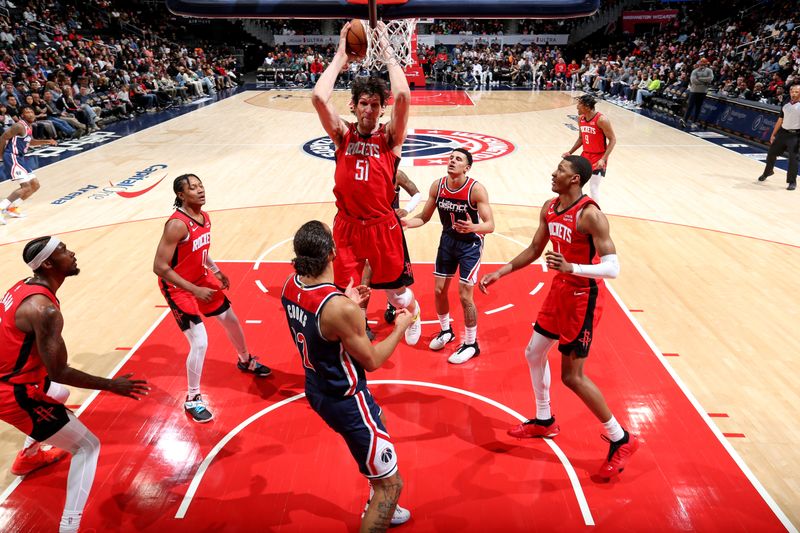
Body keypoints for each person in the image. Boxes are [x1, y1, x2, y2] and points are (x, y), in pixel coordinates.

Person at [479, 155, 639, 479]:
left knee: (572, 377)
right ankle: (544, 420)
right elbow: (535, 248)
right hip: (561, 289)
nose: (554, 173)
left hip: (584, 297)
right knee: (534, 352)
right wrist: (502, 271)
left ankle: (620, 437)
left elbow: (613, 268)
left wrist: (573, 267)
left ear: (576, 179)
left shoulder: (590, 215)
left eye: (561, 170)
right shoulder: (549, 208)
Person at [0, 237, 149, 532]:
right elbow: (59, 370)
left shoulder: (23, 286)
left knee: (61, 394)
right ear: (48, 264)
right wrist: (111, 384)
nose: (72, 253)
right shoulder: (44, 310)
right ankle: (69, 526)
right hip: (13, 393)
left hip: (16, 375)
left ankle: (28, 458)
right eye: (64, 251)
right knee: (87, 447)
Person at [281, 220, 413, 532]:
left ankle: (376, 484)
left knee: (372, 441)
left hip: (316, 389)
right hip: (347, 399)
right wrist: (400, 328)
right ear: (332, 253)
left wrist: (351, 307)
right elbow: (372, 360)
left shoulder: (290, 285)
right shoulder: (338, 308)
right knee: (391, 487)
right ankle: (380, 496)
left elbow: (321, 328)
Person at [312, 21, 422, 346]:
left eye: (375, 104)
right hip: (347, 227)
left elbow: (402, 94)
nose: (369, 110)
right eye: (364, 103)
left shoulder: (390, 138)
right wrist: (339, 58)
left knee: (397, 292)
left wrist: (386, 45)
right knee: (346, 294)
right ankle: (354, 343)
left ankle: (412, 310)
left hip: (382, 226)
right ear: (354, 105)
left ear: (380, 108)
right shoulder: (342, 135)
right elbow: (319, 97)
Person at [153, 174, 271, 423]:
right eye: (192, 188)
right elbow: (160, 267)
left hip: (200, 279)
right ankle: (193, 398)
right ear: (181, 195)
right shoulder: (177, 225)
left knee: (230, 319)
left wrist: (216, 270)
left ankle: (245, 360)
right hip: (177, 287)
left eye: (200, 185)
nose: (200, 190)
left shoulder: (204, 217)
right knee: (200, 341)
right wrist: (194, 290)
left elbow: (200, 250)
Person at [403, 148, 495, 364]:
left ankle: (472, 343)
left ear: (467, 167)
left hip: (470, 244)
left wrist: (473, 227)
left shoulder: (476, 190)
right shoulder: (438, 185)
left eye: (458, 159)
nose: (452, 161)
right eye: (451, 157)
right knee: (438, 290)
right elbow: (424, 217)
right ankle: (446, 331)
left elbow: (490, 226)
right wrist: (406, 223)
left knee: (464, 295)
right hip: (448, 241)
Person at [360, 169, 422, 339]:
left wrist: (407, 209)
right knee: (366, 273)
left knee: (393, 283)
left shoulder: (397, 174)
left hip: (390, 230)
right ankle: (362, 321)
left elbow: (416, 194)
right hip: (368, 227)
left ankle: (408, 310)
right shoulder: (363, 173)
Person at [0, 106, 57, 224]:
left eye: (31, 111)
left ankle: (12, 208)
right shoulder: (19, 126)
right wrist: (0, 155)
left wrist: (47, 141)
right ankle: (1, 208)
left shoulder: (29, 127)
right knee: (25, 187)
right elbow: (3, 137)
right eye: (27, 112)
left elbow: (31, 142)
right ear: (22, 115)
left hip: (20, 158)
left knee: (35, 185)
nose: (30, 114)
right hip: (12, 156)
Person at [562, 95, 616, 202]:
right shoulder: (581, 119)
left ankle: (596, 214)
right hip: (585, 156)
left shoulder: (601, 120)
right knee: (575, 184)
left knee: (593, 187)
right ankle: (577, 208)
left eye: (579, 104)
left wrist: (603, 159)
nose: (577, 107)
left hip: (599, 157)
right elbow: (581, 138)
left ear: (587, 106)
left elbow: (613, 139)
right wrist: (570, 152)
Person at [757, 83, 800, 190]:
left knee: (793, 158)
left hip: (795, 135)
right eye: (792, 91)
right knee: (771, 153)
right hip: (783, 133)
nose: (793, 94)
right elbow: (780, 119)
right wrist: (773, 134)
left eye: (796, 92)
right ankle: (768, 172)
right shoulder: (786, 103)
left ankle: (792, 182)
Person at [681, 57, 714, 127]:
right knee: (690, 106)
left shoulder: (709, 71)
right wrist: (704, 82)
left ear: (706, 63)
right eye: (701, 62)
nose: (702, 64)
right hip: (694, 91)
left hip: (703, 92)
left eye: (704, 62)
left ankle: (694, 122)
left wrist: (699, 79)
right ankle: (685, 120)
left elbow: (710, 79)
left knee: (698, 108)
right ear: (699, 63)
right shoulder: (695, 71)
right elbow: (693, 81)